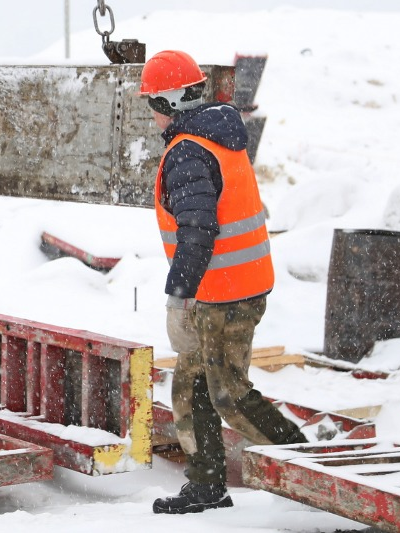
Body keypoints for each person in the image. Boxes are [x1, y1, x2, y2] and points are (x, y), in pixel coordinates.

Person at [141, 50, 305, 515]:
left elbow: (197, 231)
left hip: (226, 293)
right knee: (191, 387)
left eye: (153, 102)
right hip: (223, 288)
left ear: (171, 101)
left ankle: (311, 461)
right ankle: (207, 482)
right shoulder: (215, 138)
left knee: (228, 394)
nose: (151, 113)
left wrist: (178, 298)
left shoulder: (190, 151)